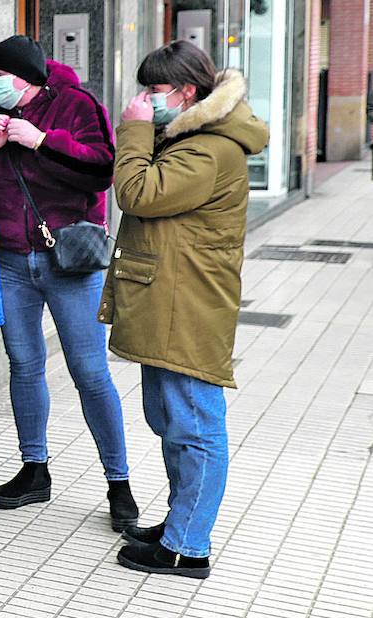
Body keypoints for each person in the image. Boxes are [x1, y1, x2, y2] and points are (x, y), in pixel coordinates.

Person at [106, 41, 267, 578]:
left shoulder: (211, 150)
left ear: (187, 93)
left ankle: (187, 545)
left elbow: (137, 192)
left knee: (195, 424)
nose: (144, 100)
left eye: (153, 91)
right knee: (174, 420)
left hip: (188, 303)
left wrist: (131, 130)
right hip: (173, 296)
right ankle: (181, 522)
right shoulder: (194, 136)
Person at [0, 35, 137, 531]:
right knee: (24, 364)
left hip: (70, 261)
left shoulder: (77, 106)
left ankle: (119, 482)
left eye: (3, 76)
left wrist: (42, 141)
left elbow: (102, 170)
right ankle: (34, 468)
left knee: (89, 370)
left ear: (28, 78)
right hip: (12, 261)